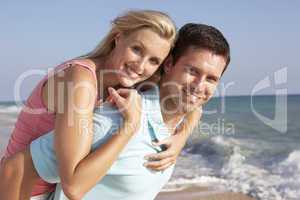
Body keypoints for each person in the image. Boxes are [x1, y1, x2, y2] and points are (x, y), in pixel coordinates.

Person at [0, 23, 230, 200]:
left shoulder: (174, 122)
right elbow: (14, 170)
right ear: (168, 65)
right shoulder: (112, 119)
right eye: (192, 71)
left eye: (211, 79)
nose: (200, 86)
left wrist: (184, 133)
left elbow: (194, 104)